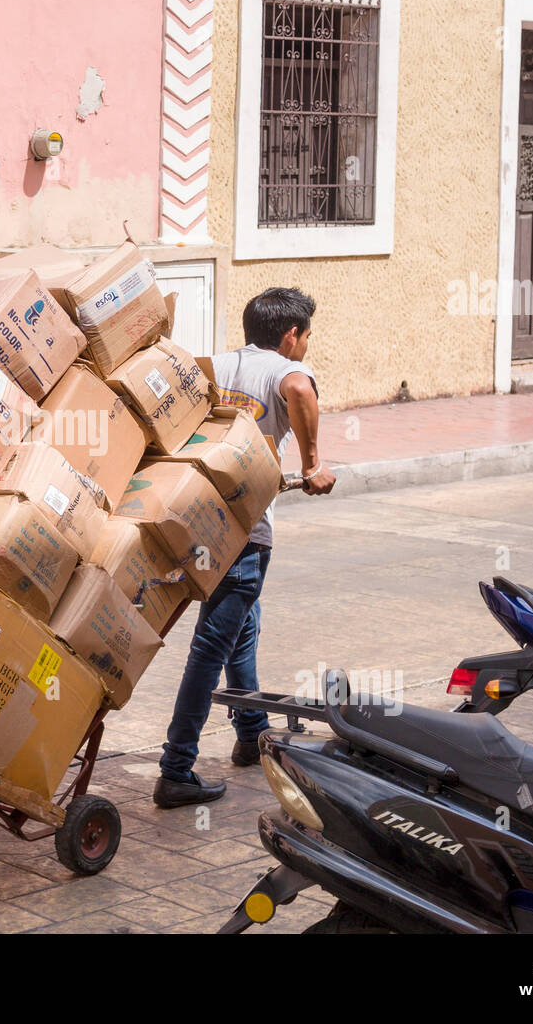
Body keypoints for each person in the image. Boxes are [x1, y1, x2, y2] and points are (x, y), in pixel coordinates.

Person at [154, 287, 336, 808]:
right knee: (211, 645)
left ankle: (250, 731)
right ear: (290, 335)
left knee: (241, 628)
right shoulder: (283, 372)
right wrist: (313, 464)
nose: (304, 346)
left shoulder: (219, 365)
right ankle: (176, 768)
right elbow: (300, 388)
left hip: (202, 522)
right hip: (246, 531)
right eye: (306, 336)